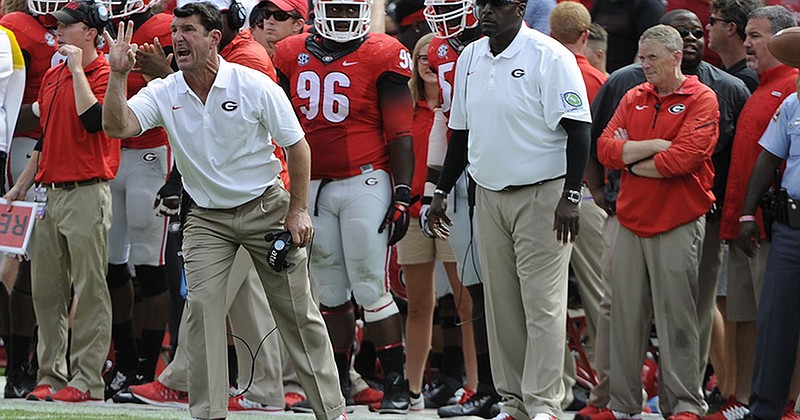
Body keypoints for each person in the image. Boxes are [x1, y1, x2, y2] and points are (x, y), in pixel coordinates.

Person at [101, 3, 346, 419]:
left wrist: (298, 210)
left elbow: (297, 145)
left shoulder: (252, 83)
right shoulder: (166, 90)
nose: (177, 38)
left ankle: (332, 411)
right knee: (201, 312)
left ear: (215, 39)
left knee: (297, 313)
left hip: (265, 208)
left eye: (189, 31)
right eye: (175, 30)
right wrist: (119, 75)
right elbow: (117, 126)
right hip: (206, 218)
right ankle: (208, 413)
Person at [427, 0, 592, 416]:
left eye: (497, 4)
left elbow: (579, 129)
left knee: (543, 303)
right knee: (502, 306)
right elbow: (460, 134)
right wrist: (441, 191)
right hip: (489, 193)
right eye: (482, 3)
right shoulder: (469, 56)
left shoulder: (549, 54)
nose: (486, 11)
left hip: (543, 193)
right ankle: (514, 402)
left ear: (519, 8)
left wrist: (571, 196)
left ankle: (545, 404)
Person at [273, 0, 416, 413]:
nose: (339, 14)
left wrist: (403, 193)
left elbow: (400, 131)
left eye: (346, 6)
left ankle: (396, 385)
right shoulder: (290, 52)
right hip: (311, 183)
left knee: (371, 284)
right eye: (332, 6)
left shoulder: (383, 52)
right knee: (331, 291)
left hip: (365, 180)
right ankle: (337, 386)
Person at [595, 24, 719, 420]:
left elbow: (683, 160)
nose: (643, 65)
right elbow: (603, 149)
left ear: (676, 57)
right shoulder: (634, 95)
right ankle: (622, 403)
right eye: (641, 56)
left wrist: (632, 159)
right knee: (625, 318)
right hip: (631, 218)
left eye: (652, 58)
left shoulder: (702, 98)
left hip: (679, 219)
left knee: (677, 316)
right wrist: (650, 148)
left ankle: (684, 404)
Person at [4, 0, 120, 403]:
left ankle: (87, 379)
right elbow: (43, 138)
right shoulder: (53, 75)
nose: (58, 32)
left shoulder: (105, 72)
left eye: (67, 27)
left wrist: (75, 69)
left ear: (90, 32)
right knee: (47, 291)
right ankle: (50, 374)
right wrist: (21, 185)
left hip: (88, 190)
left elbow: (94, 121)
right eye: (57, 26)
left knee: (89, 290)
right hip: (50, 193)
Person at [718, 5, 798, 418]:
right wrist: (742, 216)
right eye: (746, 35)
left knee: (780, 320)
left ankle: (787, 404)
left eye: (757, 36)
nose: (747, 44)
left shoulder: (790, 86)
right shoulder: (771, 90)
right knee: (756, 316)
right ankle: (752, 402)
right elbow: (759, 159)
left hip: (775, 226)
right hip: (762, 223)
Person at [422, 0, 499, 416]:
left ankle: (524, 387)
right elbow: (445, 119)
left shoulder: (500, 46)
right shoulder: (439, 50)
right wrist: (435, 186)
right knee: (474, 285)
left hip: (501, 172)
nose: (447, 17)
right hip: (463, 174)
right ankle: (486, 387)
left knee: (509, 287)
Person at [97, 0, 174, 401]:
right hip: (111, 152)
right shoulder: (93, 24)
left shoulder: (163, 25)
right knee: (113, 263)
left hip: (151, 153)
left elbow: (186, 85)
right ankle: (125, 359)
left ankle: (146, 363)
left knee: (148, 261)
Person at [397, 32, 465, 413]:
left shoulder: (458, 105)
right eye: (420, 55)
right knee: (419, 304)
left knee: (463, 299)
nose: (427, 61)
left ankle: (472, 385)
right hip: (412, 210)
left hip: (451, 206)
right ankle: (412, 389)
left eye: (433, 55)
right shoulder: (405, 106)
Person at [0, 0, 63, 398]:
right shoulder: (16, 28)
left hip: (66, 149)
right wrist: (46, 109)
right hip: (26, 147)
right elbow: (10, 109)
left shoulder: (85, 22)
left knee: (49, 260)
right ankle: (19, 361)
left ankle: (44, 360)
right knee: (18, 256)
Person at [738, 66, 800, 420]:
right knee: (775, 321)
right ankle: (763, 411)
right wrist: (748, 213)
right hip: (792, 228)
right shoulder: (793, 103)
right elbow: (768, 157)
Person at [591, 0, 665, 72]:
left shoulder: (648, 6)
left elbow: (649, 45)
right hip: (600, 69)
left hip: (629, 71)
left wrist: (633, 75)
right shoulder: (601, 3)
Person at [707, 0, 764, 94]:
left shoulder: (748, 79)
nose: (708, 27)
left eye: (712, 21)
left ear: (731, 28)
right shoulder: (729, 71)